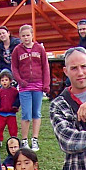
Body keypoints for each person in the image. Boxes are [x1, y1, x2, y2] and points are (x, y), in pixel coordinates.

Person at [11, 24, 50, 152]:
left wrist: (46, 84)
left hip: (38, 85)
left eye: (28, 35)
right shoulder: (17, 50)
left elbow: (45, 66)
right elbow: (14, 67)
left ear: (32, 35)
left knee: (36, 113)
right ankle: (24, 139)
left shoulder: (39, 49)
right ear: (20, 37)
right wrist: (20, 81)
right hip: (24, 86)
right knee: (26, 114)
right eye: (23, 36)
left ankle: (35, 139)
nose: (26, 38)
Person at [0, 70, 20, 144]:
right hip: (2, 114)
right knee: (0, 128)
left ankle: (14, 139)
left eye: (6, 80)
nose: (4, 82)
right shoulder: (0, 91)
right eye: (2, 80)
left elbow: (18, 99)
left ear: (10, 81)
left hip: (11, 114)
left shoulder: (14, 91)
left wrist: (15, 106)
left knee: (13, 128)